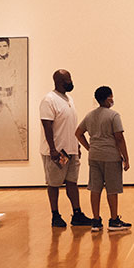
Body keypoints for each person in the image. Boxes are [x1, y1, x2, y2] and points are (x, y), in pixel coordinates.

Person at [40, 69, 93, 229]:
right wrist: (53, 149)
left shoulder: (69, 98)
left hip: (70, 150)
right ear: (58, 82)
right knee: (54, 183)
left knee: (72, 182)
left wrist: (76, 145)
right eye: (67, 80)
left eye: (70, 79)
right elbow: (47, 125)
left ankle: (77, 214)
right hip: (56, 153)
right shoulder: (49, 100)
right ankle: (55, 215)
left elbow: (70, 125)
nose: (70, 83)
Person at [75, 86, 132, 233]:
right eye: (111, 97)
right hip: (111, 157)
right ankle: (114, 220)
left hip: (94, 156)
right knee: (112, 189)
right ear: (108, 98)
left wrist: (89, 148)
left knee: (95, 188)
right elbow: (119, 138)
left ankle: (96, 221)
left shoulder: (89, 116)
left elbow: (78, 133)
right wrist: (126, 157)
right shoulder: (114, 116)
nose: (113, 99)